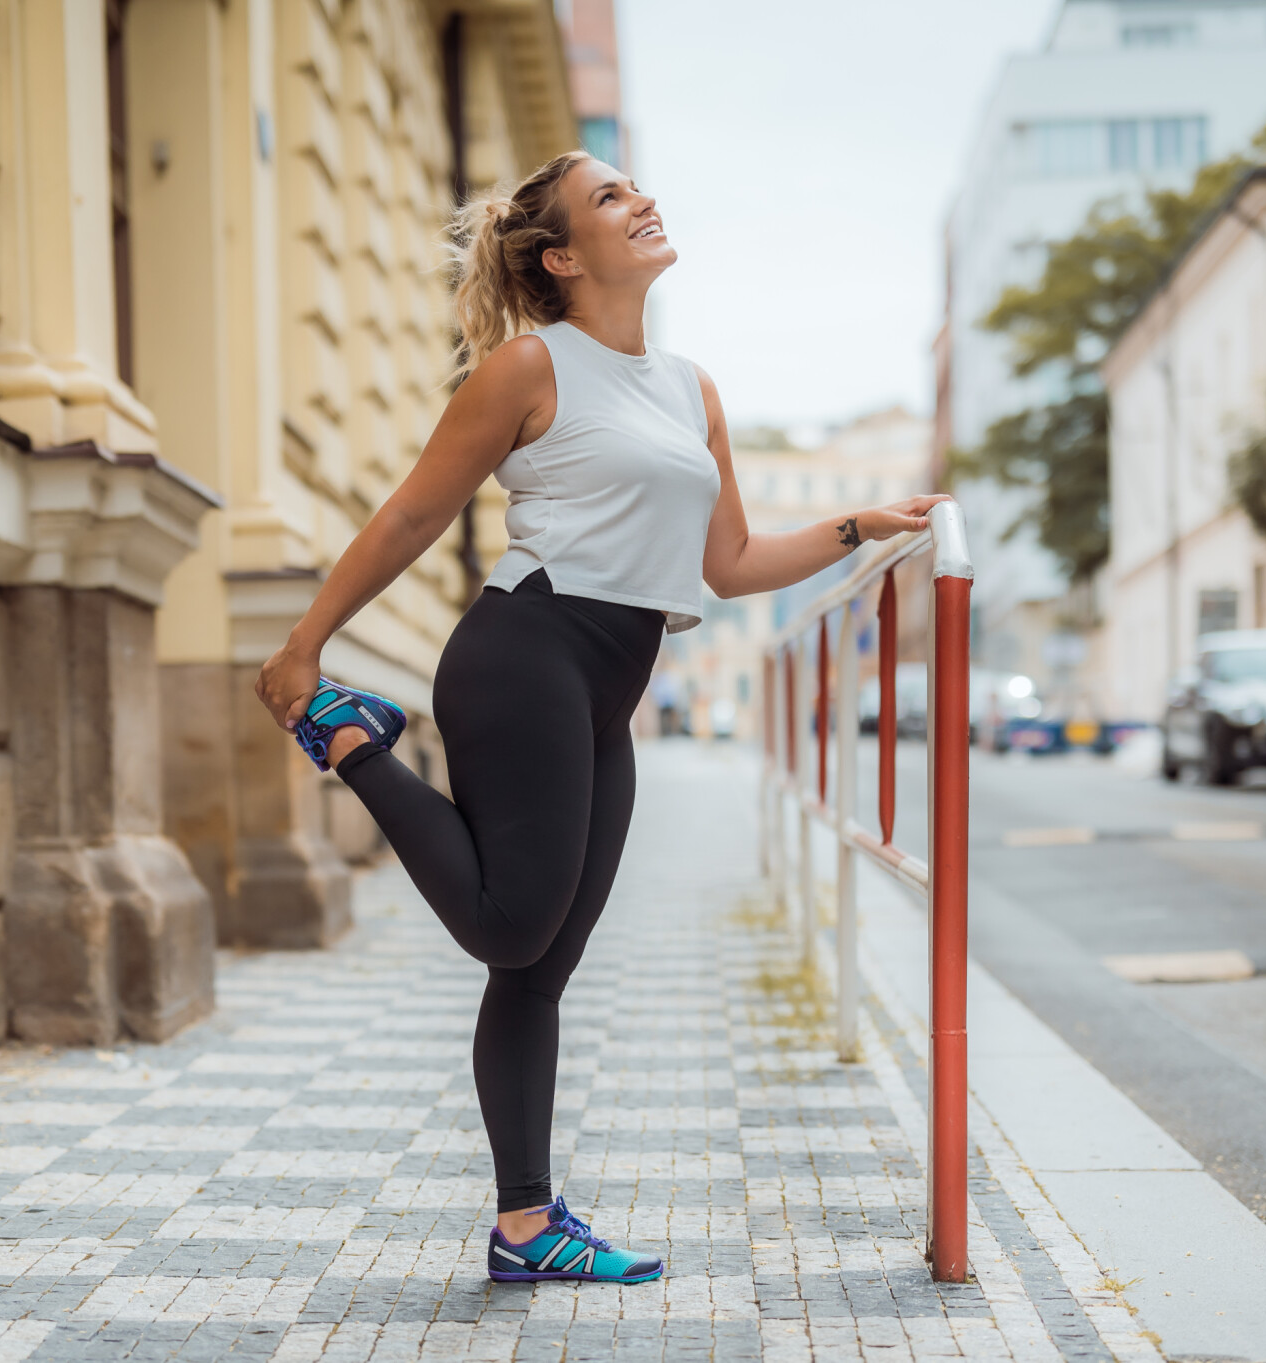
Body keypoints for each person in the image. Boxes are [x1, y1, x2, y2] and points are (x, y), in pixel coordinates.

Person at [254, 150, 946, 1284]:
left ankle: (525, 1230)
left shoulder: (690, 388)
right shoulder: (529, 367)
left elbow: (724, 563)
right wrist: (302, 644)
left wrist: (855, 526)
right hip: (523, 654)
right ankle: (349, 740)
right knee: (506, 927)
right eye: (612, 197)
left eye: (638, 186)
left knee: (539, 967)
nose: (644, 200)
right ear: (564, 258)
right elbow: (414, 513)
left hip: (606, 686)